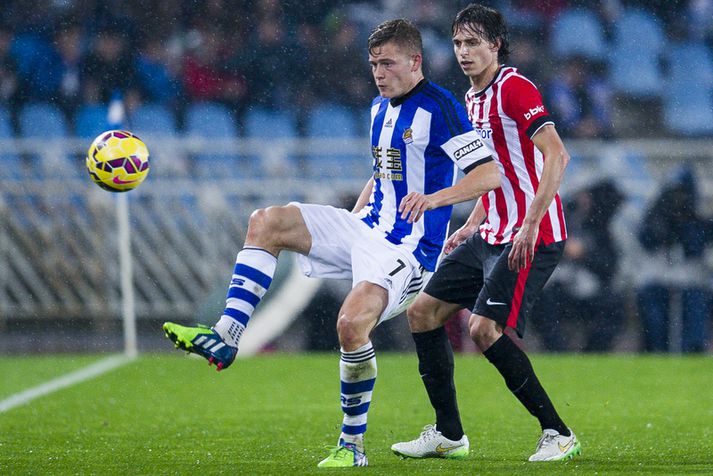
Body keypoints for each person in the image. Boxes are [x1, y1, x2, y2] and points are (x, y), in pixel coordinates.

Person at [163, 19, 501, 468]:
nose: (379, 73)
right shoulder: (379, 107)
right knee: (267, 222)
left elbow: (488, 174)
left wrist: (435, 199)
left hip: (408, 251)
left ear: (415, 61)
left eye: (388, 64)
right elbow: (384, 174)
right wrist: (357, 217)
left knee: (350, 324)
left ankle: (352, 446)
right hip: (364, 228)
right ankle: (227, 337)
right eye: (373, 64)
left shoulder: (439, 107)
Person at [390, 4, 581, 463]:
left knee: (482, 328)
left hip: (531, 235)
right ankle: (448, 434)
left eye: (473, 42)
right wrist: (473, 224)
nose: (463, 52)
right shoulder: (471, 100)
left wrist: (530, 223)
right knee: (422, 313)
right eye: (457, 43)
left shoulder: (514, 88)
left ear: (496, 45)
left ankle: (559, 433)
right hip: (491, 233)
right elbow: (495, 173)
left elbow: (557, 156)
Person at [532, 178, 625, 352]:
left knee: (613, 305)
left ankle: (594, 353)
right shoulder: (559, 221)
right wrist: (561, 248)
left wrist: (585, 255)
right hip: (559, 288)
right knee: (541, 302)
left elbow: (609, 266)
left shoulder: (602, 229)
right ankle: (557, 352)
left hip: (591, 291)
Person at [636, 164, 713, 353]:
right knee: (653, 308)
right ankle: (657, 350)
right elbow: (647, 240)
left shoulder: (698, 219)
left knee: (694, 306)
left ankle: (692, 349)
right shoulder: (657, 214)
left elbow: (695, 247)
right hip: (660, 277)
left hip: (692, 280)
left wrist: (688, 221)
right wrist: (664, 218)